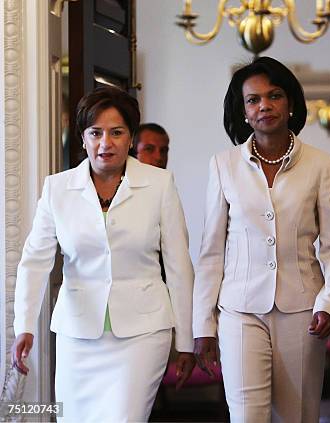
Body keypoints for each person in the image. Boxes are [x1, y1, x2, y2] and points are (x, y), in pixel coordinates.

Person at [11, 86, 196, 422]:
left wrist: (186, 340)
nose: (105, 143)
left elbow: (179, 266)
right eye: (95, 133)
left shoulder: (159, 184)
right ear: (82, 138)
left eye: (116, 132)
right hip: (77, 334)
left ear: (130, 138)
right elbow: (34, 262)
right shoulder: (57, 189)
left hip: (143, 332)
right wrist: (23, 325)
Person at [192, 56, 330, 422]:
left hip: (302, 311)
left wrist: (329, 302)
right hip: (239, 310)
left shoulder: (321, 165)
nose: (264, 105)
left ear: (290, 103)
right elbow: (212, 252)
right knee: (247, 416)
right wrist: (203, 324)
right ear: (244, 111)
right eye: (253, 99)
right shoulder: (223, 165)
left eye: (274, 95)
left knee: (297, 416)